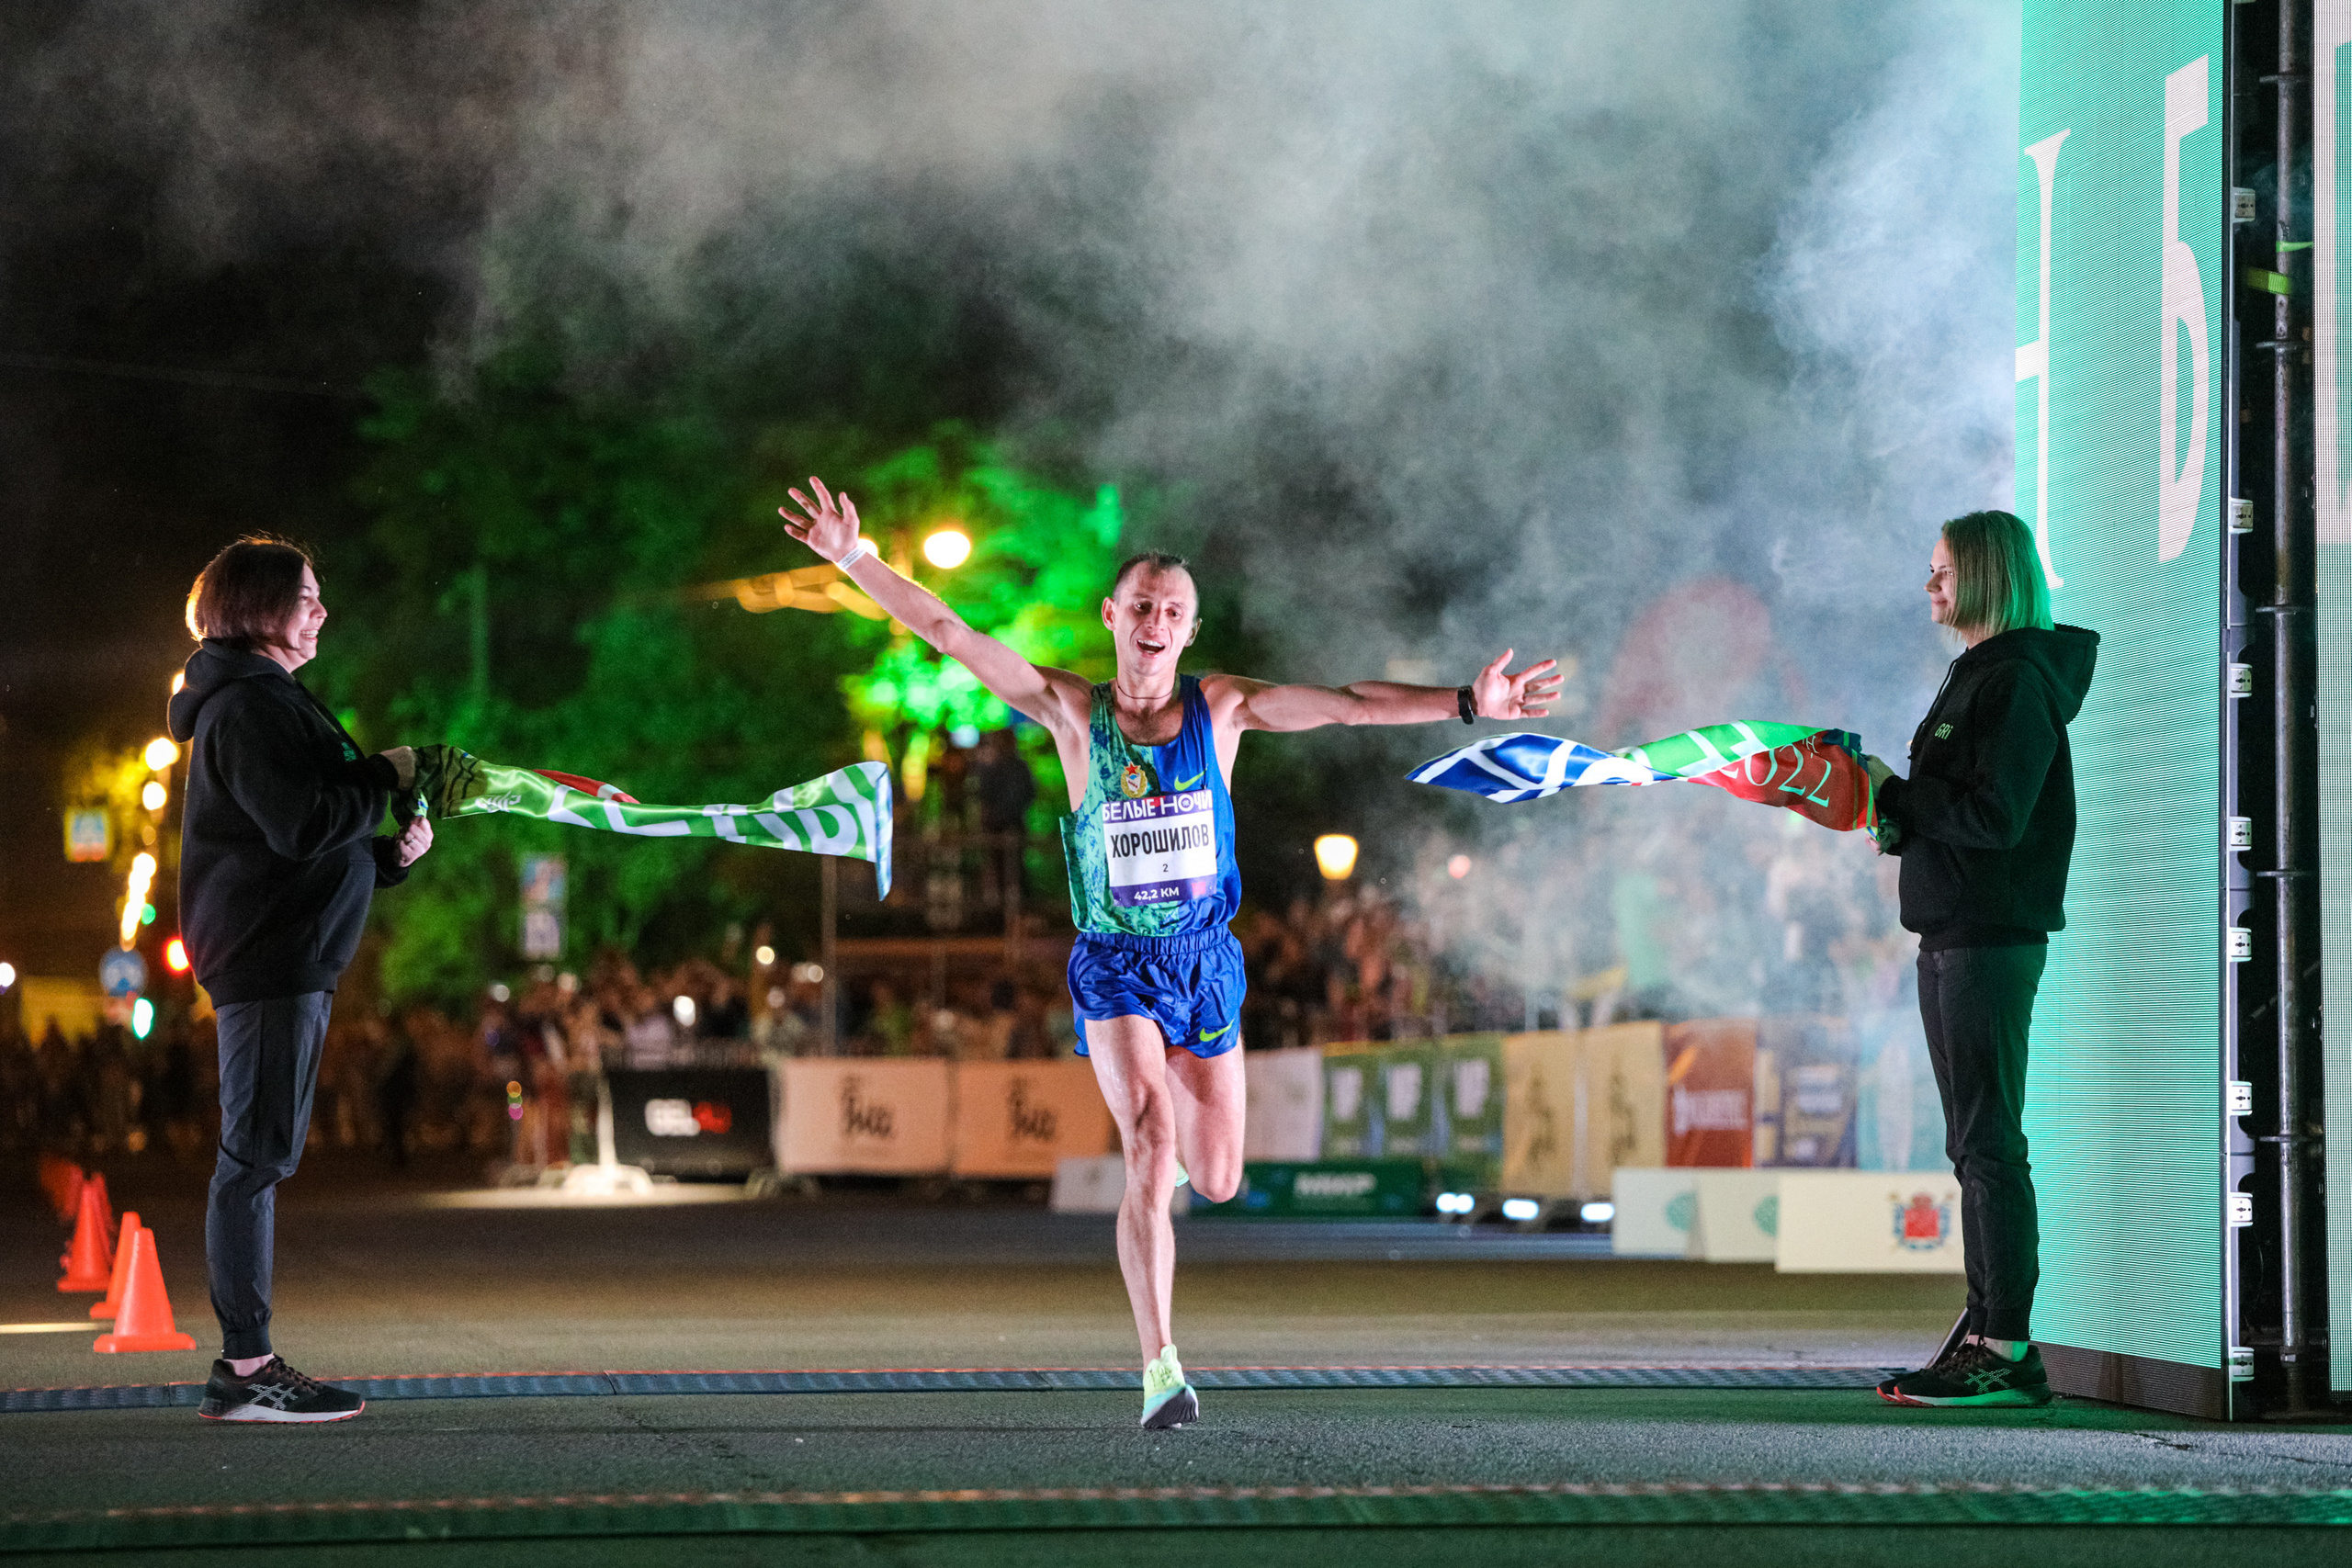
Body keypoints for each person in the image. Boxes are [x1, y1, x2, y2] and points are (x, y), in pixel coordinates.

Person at [782, 477, 1558, 1427]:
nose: (1155, 621)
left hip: (1205, 963)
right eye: (1141, 605)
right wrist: (854, 560)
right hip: (1113, 965)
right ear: (1112, 616)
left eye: (1173, 611)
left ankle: (1184, 1180)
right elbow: (950, 633)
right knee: (1149, 1142)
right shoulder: (1070, 712)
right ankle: (1160, 1367)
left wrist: (1466, 703)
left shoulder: (1222, 709)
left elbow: (1352, 704)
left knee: (1220, 1177)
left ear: (1189, 632)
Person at [170, 536, 433, 1424]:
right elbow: (299, 820)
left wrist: (385, 856)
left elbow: (309, 836)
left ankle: (246, 1365)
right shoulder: (246, 707)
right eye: (307, 597)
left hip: (284, 950)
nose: (321, 611)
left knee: (261, 1153)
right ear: (256, 607)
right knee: (255, 1158)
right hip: (270, 956)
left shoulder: (260, 699)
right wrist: (382, 775)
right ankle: (245, 1369)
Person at [1862, 510, 2097, 1409]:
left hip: (1986, 937)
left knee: (1988, 1146)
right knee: (1975, 1148)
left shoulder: (2014, 684)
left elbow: (1994, 820)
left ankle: (2005, 1349)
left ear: (1988, 575)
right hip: (1954, 934)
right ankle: (1985, 1335)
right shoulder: (1984, 678)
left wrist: (1897, 796)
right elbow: (1957, 814)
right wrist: (1889, 808)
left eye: (1942, 571)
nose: (1928, 586)